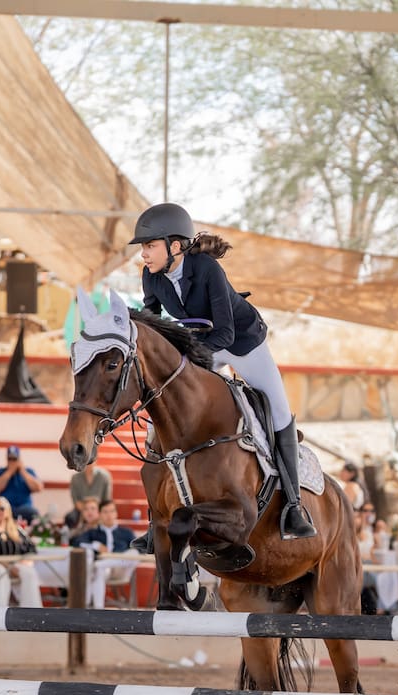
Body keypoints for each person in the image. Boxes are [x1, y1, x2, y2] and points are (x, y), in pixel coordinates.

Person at [132, 202, 314, 549]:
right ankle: (156, 521)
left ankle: (294, 506)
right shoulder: (151, 276)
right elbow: (151, 324)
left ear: (174, 246)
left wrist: (188, 357)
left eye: (150, 245)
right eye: (143, 247)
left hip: (242, 343)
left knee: (278, 412)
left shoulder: (206, 268)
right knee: (163, 412)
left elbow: (226, 334)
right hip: (203, 346)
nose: (144, 254)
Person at [0, 497, 43, 608]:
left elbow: (31, 549)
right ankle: (1, 611)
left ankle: (31, 610)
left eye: (2, 508)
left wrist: (26, 562)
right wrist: (7, 566)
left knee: (29, 573)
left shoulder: (16, 530)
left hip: (15, 564)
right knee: (0, 572)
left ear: (7, 510)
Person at [0, 445, 43, 522]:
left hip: (25, 509)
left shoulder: (28, 471)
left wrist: (23, 472)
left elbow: (38, 488)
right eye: (10, 459)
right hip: (5, 508)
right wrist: (10, 472)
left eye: (14, 459)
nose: (12, 461)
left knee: (35, 514)